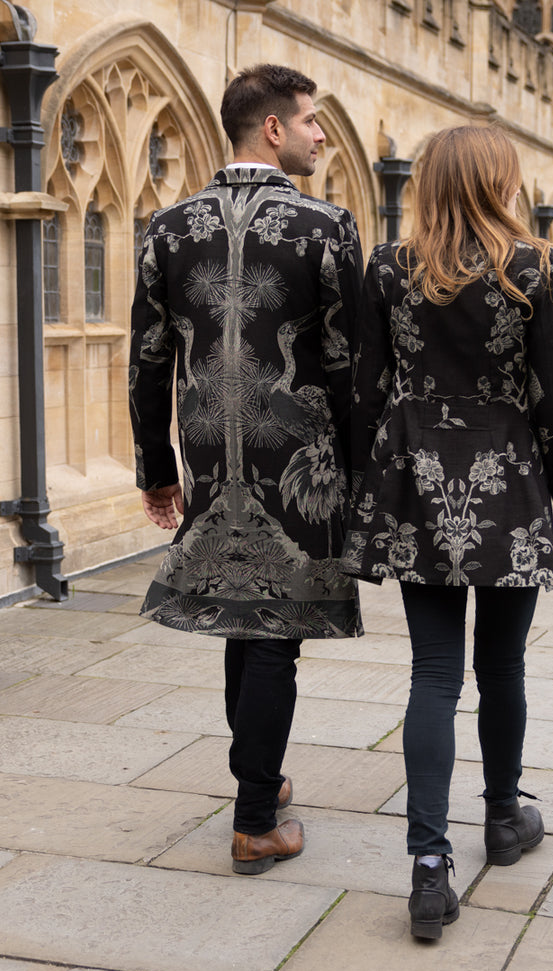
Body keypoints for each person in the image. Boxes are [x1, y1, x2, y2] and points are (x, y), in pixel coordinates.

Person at [342, 124, 553, 939]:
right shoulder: (536, 265)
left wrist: (362, 487)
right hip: (508, 479)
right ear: (498, 181)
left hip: (415, 479)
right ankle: (505, 818)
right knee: (502, 664)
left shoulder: (387, 267)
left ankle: (428, 863)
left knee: (433, 674)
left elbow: (366, 390)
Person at [129, 64, 363, 875]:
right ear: (272, 129)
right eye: (310, 121)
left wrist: (155, 466)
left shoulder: (165, 226)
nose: (320, 134)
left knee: (243, 617)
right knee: (276, 635)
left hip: (206, 448)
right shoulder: (326, 226)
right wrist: (363, 470)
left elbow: (148, 358)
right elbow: (345, 363)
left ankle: (258, 778)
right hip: (295, 456)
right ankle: (256, 818)